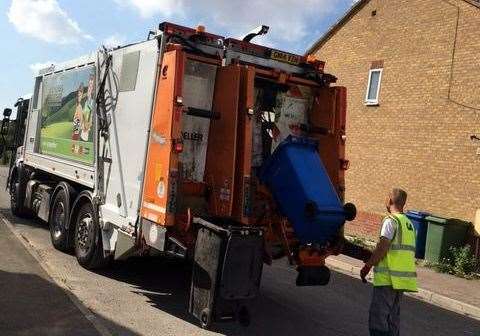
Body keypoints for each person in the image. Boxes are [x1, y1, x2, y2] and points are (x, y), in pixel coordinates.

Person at [360, 188, 417, 336]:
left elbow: (382, 247)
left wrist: (367, 266)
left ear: (390, 201)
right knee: (393, 319)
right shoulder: (408, 224)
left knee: (378, 318)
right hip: (401, 280)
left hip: (387, 279)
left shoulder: (390, 221)